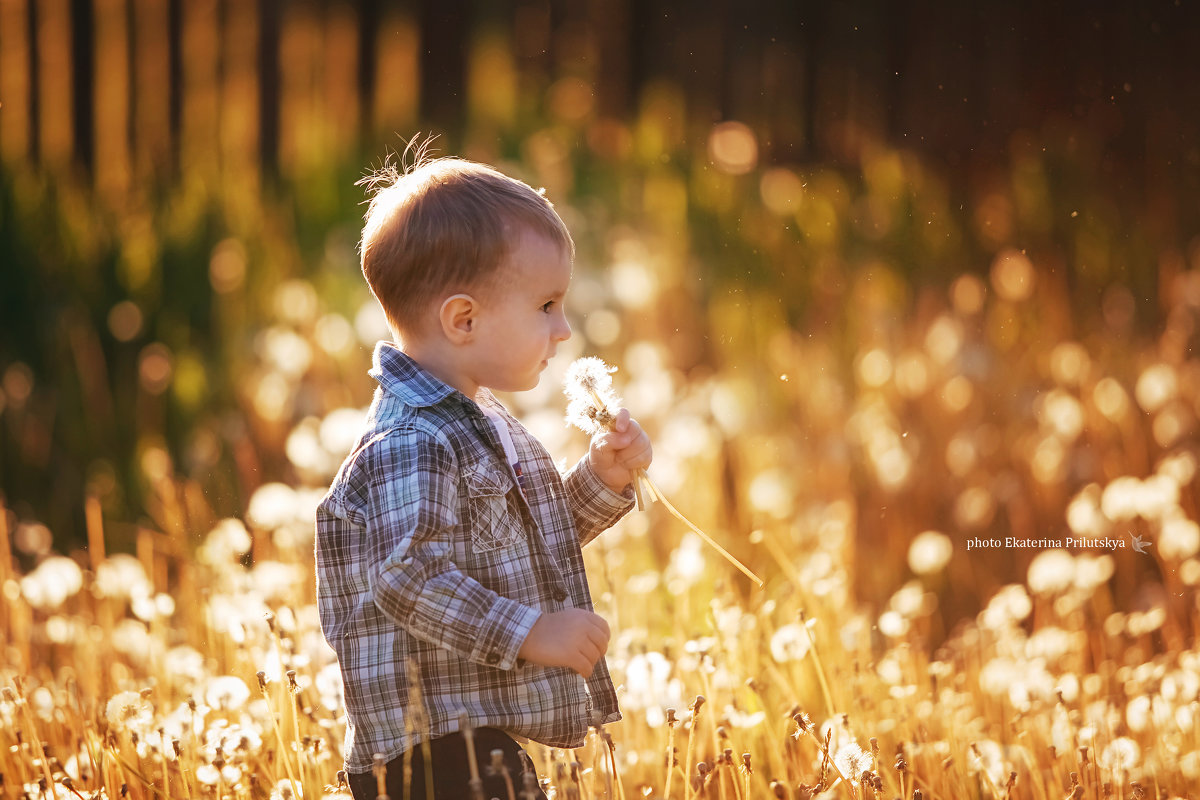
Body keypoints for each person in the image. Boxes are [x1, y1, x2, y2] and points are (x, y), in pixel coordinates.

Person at [316, 155, 653, 800]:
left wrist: (600, 482)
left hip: (466, 743)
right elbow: (410, 578)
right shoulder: (411, 443)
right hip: (427, 758)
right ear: (463, 320)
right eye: (547, 306)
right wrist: (531, 632)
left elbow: (509, 546)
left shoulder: (474, 422)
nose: (564, 328)